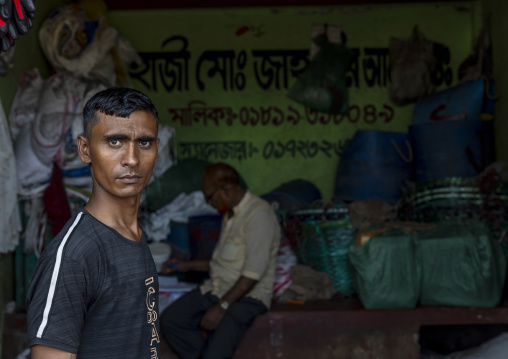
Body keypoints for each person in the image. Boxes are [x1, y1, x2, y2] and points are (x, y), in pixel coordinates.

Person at [26, 87, 161, 359]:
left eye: (144, 143)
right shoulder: (73, 256)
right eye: (115, 142)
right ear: (85, 150)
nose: (132, 159)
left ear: (156, 148)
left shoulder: (132, 234)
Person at [160, 163, 281, 359]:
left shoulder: (259, 215)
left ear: (226, 189)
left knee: (218, 347)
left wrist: (222, 307)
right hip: (217, 288)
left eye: (209, 196)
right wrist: (186, 265)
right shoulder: (230, 214)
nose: (208, 202)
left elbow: (252, 276)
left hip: (247, 298)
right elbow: (221, 263)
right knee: (172, 320)